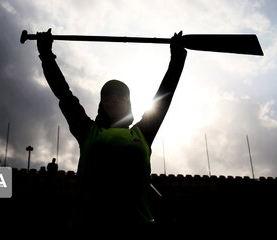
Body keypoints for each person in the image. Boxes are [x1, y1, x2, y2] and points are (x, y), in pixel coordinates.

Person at [36, 29, 187, 226]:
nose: (114, 98)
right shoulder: (88, 131)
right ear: (102, 103)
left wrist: (177, 57)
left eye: (121, 95)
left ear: (128, 103)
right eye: (108, 95)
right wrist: (46, 55)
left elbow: (164, 95)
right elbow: (64, 94)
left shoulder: (142, 133)